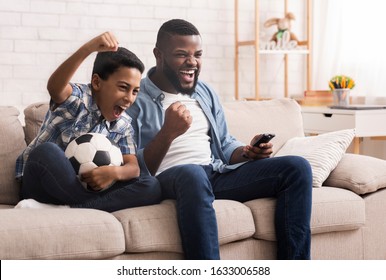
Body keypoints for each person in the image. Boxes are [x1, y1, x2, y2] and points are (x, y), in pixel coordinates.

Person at [127, 19, 313, 260]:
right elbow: (135, 166)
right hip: (168, 178)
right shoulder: (134, 97)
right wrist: (168, 132)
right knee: (192, 173)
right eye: (181, 55)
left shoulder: (204, 92)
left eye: (198, 55)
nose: (192, 62)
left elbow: (224, 144)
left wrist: (247, 152)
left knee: (297, 168)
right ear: (158, 55)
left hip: (212, 174)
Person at [14, 32, 161, 212]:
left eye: (135, 91)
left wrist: (113, 173)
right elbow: (55, 87)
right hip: (43, 184)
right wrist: (88, 48)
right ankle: (87, 206)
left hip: (84, 191)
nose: (129, 98)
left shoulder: (123, 125)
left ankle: (68, 209)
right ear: (97, 82)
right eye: (123, 88)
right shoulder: (77, 99)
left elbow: (133, 168)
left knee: (151, 185)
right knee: (46, 152)